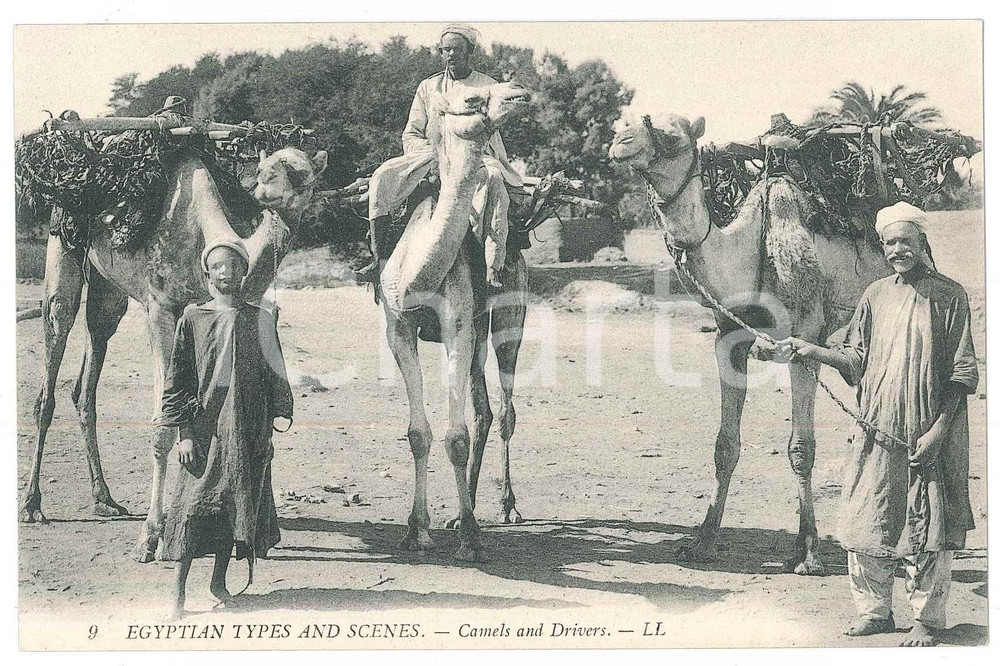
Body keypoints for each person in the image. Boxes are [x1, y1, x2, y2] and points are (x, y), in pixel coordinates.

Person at [778, 201, 978, 646]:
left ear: (922, 243)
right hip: (876, 430)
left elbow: (961, 374)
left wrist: (938, 432)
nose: (896, 250)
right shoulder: (875, 295)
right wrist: (814, 352)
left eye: (905, 241)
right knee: (868, 515)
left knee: (930, 522)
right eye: (889, 243)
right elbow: (855, 359)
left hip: (928, 432)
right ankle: (876, 612)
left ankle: (928, 619)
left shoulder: (950, 296)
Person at [156, 238, 293, 620]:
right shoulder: (193, 318)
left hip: (248, 427)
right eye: (218, 267)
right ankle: (178, 595)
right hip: (204, 429)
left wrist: (280, 410)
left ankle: (219, 581)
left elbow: (275, 369)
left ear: (245, 273)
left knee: (233, 505)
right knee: (192, 506)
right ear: (207, 273)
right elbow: (178, 379)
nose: (226, 273)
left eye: (234, 267)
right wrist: (183, 432)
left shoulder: (261, 317)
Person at [357, 23, 524, 291]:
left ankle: (493, 264)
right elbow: (410, 133)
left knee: (492, 179)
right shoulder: (428, 87)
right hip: (430, 156)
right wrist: (433, 156)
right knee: (382, 176)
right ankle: (377, 257)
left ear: (470, 51)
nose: (451, 55)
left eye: (457, 49)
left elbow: (490, 133)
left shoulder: (487, 85)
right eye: (445, 50)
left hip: (474, 158)